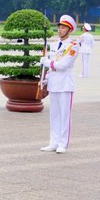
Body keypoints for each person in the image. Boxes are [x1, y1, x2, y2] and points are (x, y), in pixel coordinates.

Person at [40, 15, 79, 154]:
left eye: (63, 28)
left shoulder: (73, 46)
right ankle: (53, 142)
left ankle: (63, 144)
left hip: (65, 84)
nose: (60, 30)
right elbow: (52, 66)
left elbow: (63, 64)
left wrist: (48, 63)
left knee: (64, 116)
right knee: (54, 115)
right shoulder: (54, 44)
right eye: (59, 27)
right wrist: (46, 78)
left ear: (69, 30)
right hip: (54, 83)